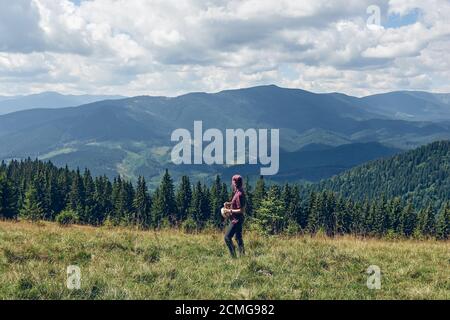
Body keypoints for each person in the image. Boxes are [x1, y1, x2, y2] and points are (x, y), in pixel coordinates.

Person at [223, 175, 246, 258]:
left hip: (236, 220)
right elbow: (236, 204)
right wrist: (229, 203)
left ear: (234, 183)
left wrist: (229, 211)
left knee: (227, 237)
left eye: (232, 181)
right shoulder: (237, 191)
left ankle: (234, 257)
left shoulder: (239, 194)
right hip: (237, 219)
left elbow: (241, 210)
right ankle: (242, 256)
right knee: (238, 238)